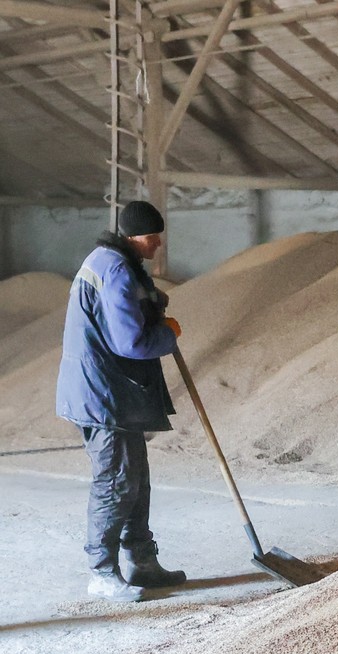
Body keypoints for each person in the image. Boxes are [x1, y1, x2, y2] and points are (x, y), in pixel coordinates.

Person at [55, 200, 186, 603]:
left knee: (136, 481)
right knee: (116, 483)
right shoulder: (115, 269)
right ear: (134, 236)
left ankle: (142, 561)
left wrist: (151, 301)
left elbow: (132, 300)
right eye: (153, 236)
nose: (158, 243)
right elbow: (129, 342)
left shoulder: (114, 261)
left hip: (112, 391)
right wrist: (169, 334)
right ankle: (101, 571)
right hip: (103, 394)